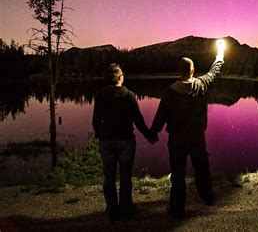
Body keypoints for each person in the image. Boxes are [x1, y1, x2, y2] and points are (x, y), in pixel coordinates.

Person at [148, 53, 224, 218]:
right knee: (202, 169)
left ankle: (177, 208)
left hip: (176, 140)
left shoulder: (169, 92)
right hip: (197, 138)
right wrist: (219, 57)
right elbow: (213, 73)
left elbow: (161, 116)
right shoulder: (201, 84)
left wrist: (152, 133)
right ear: (193, 71)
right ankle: (207, 197)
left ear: (178, 71)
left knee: (178, 174)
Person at [92, 63, 151, 221]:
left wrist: (99, 134)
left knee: (109, 177)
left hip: (107, 141)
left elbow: (96, 120)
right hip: (125, 140)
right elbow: (138, 120)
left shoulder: (100, 95)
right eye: (122, 75)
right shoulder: (129, 95)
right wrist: (148, 134)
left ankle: (112, 209)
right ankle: (126, 208)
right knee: (125, 176)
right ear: (119, 78)